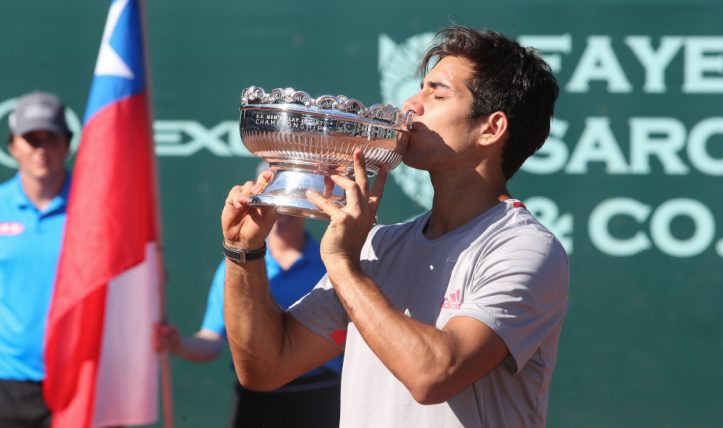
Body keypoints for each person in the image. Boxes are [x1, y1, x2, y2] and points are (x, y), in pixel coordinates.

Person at [221, 26, 569, 428]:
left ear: (491, 128)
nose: (410, 105)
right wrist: (243, 254)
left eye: (437, 94)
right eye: (420, 89)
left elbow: (434, 376)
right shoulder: (380, 245)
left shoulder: (524, 248)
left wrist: (341, 262)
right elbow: (266, 367)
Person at [154, 211, 342, 428]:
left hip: (319, 400)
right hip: (254, 402)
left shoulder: (331, 262)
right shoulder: (233, 268)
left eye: (284, 203)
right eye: (270, 203)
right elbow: (211, 339)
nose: (279, 212)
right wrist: (178, 345)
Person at [0, 92, 72, 428]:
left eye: (50, 138)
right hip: (9, 383)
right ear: (13, 147)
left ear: (67, 145)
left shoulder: (97, 208)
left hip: (80, 377)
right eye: (31, 139)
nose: (40, 149)